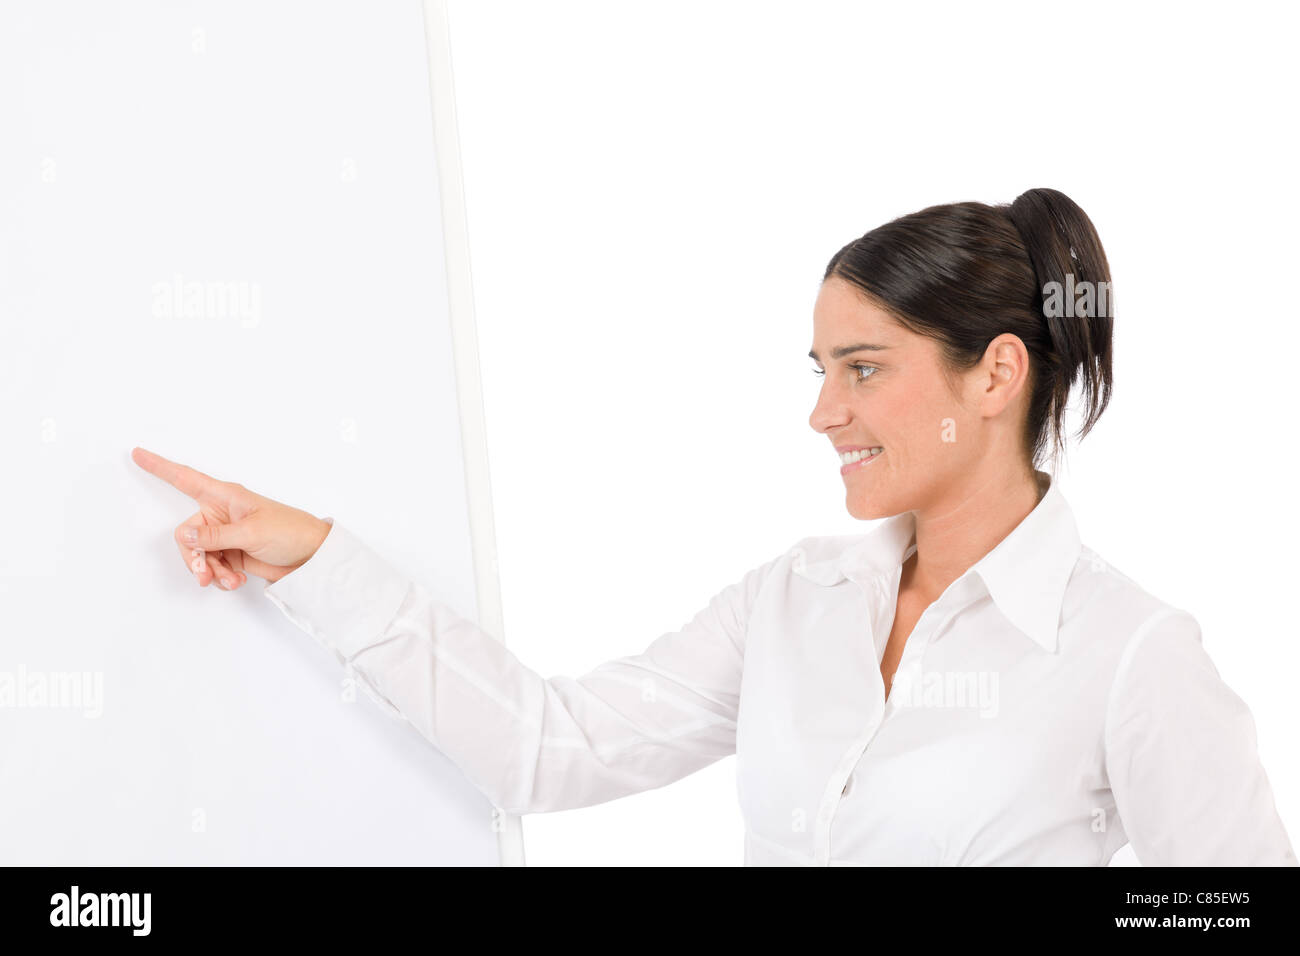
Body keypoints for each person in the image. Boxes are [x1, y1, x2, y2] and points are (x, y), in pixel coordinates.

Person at [132, 187, 1297, 866]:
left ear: (994, 375)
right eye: (818, 367)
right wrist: (320, 555)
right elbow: (551, 745)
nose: (821, 410)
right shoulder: (794, 601)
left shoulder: (1130, 654)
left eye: (862, 368)